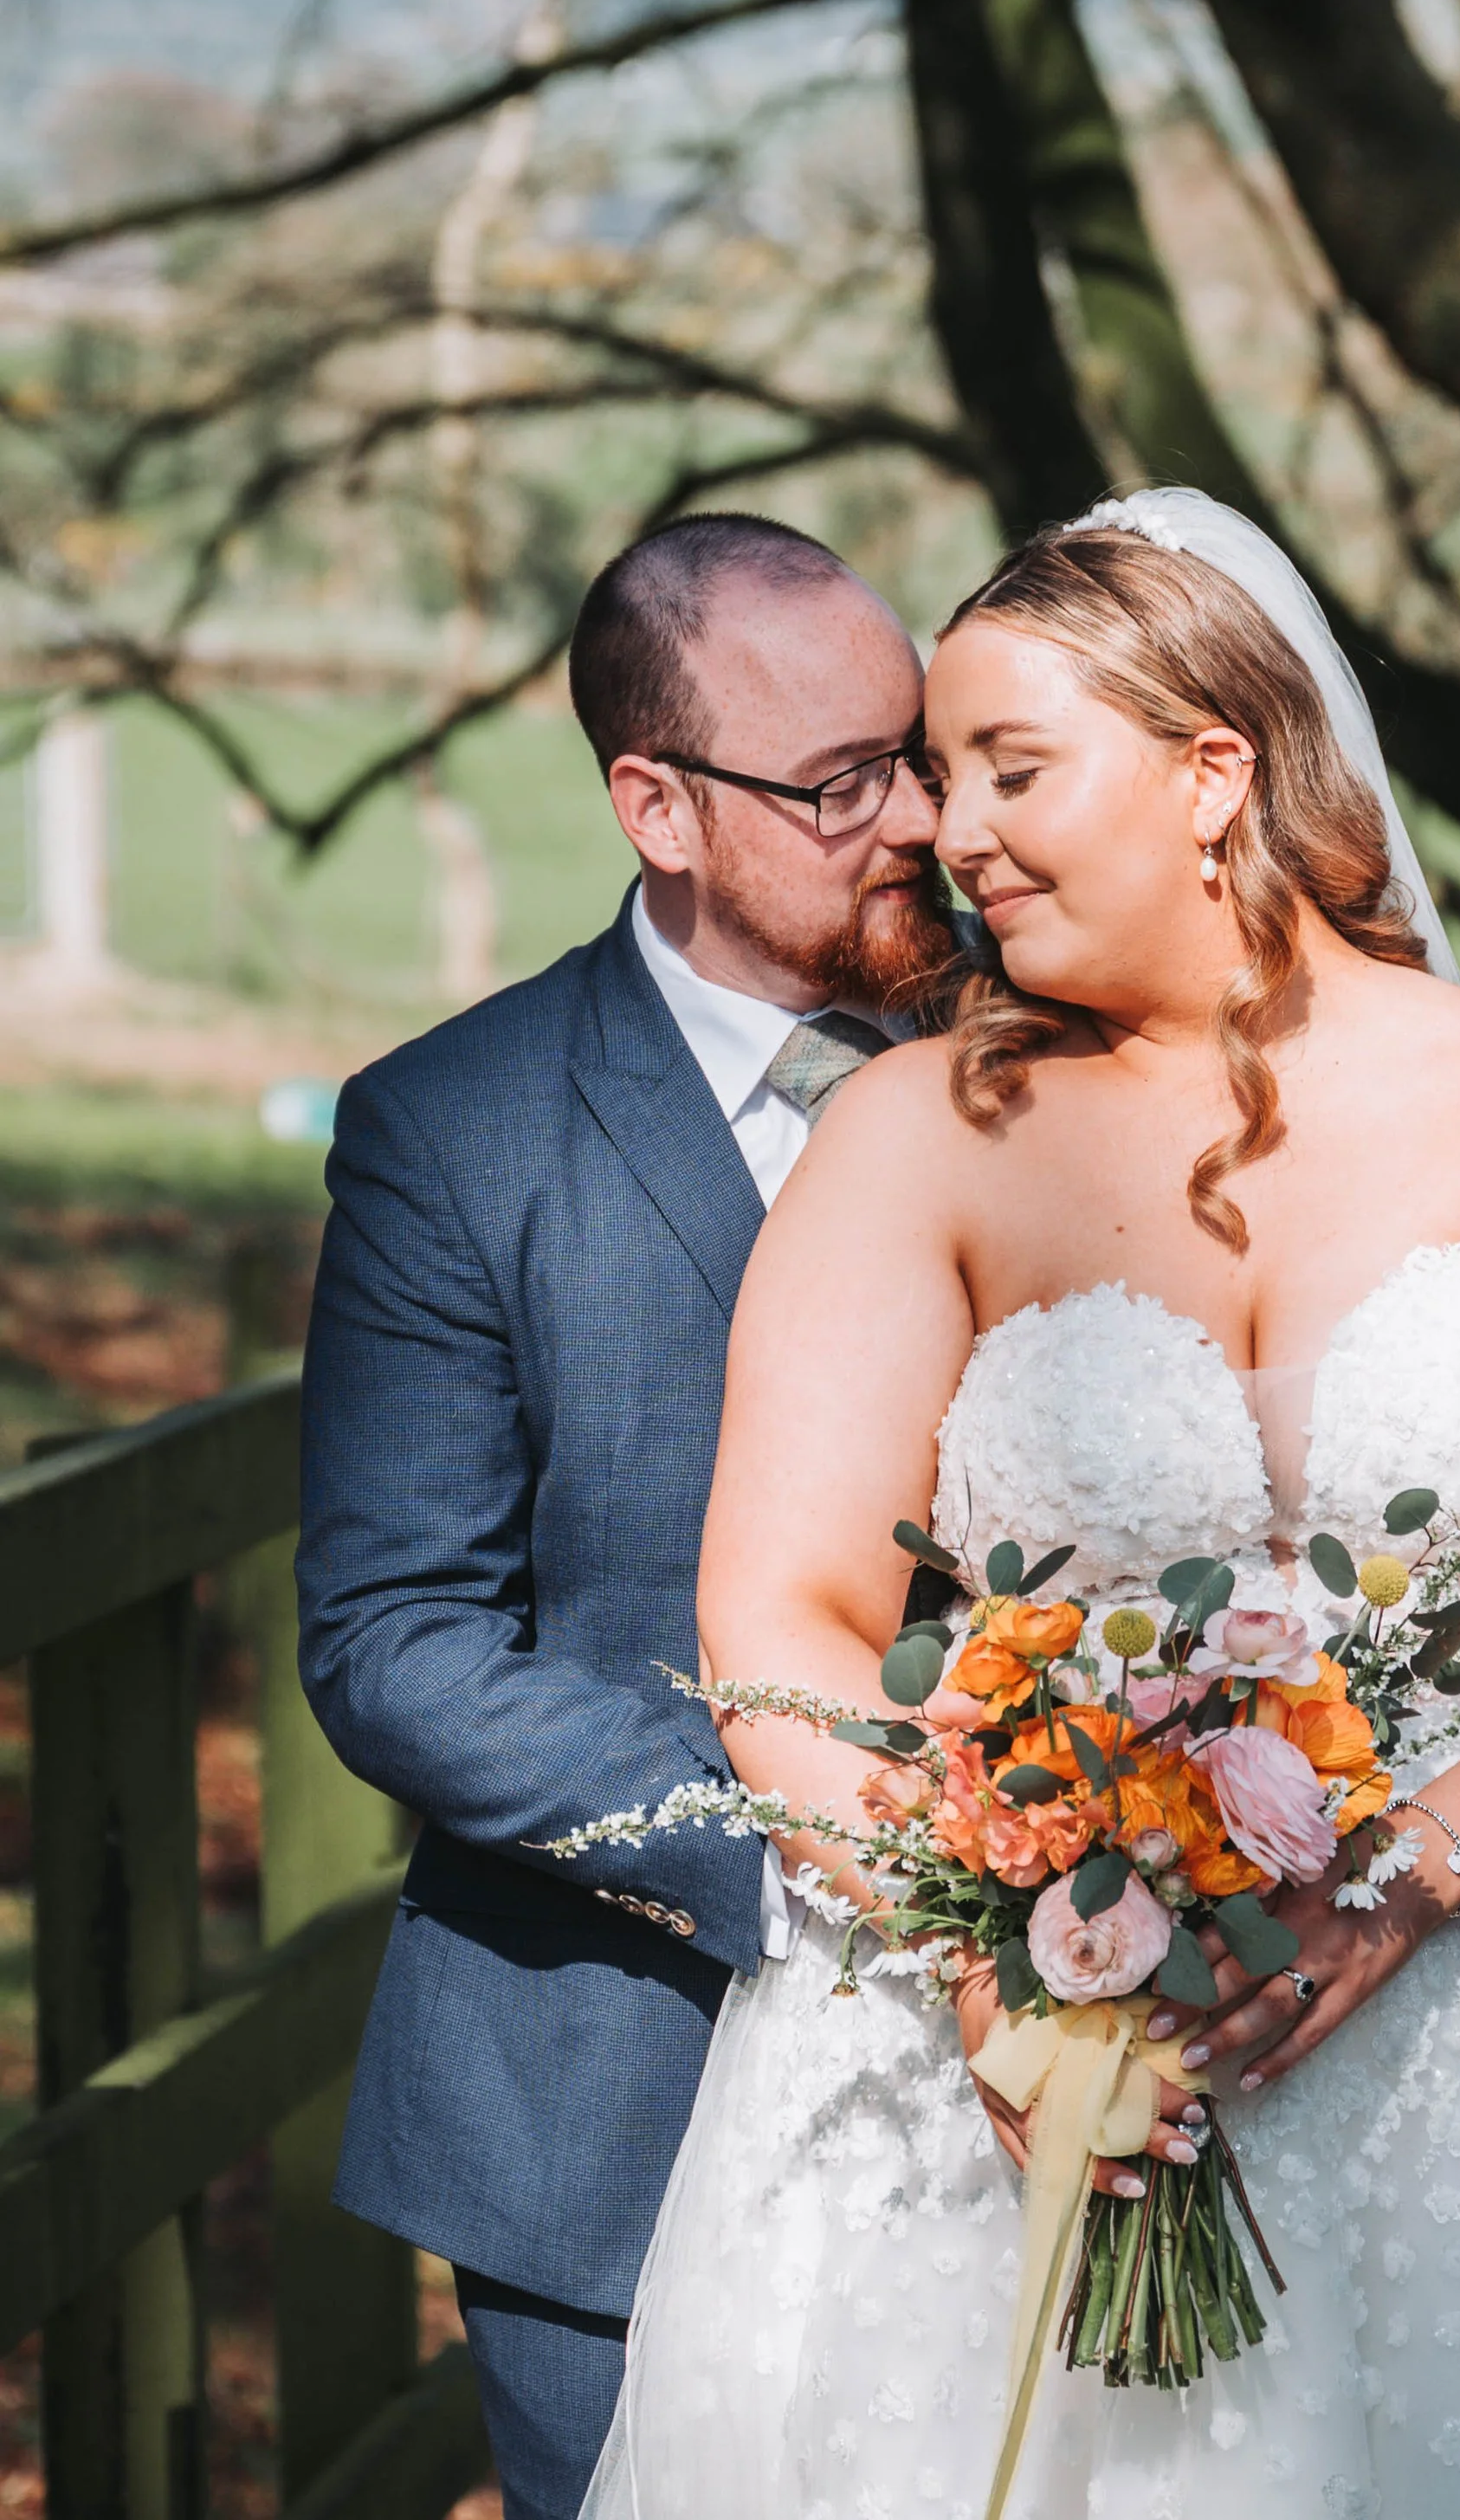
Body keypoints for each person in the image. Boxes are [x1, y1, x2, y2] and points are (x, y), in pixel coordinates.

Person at [582, 491, 1460, 2520]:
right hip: (987, 2078)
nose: (947, 834)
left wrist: (1413, 1875)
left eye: (1008, 769)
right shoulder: (908, 1139)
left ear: (1212, 771)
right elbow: (777, 1606)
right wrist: (984, 1948)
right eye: (936, 778)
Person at [296, 513, 957, 2520]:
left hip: (1077, 2061)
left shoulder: (1040, 1057)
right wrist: (824, 1849)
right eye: (841, 784)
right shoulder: (454, 1133)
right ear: (654, 807)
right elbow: (395, 1644)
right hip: (614, 2092)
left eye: (922, 752)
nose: (919, 818)